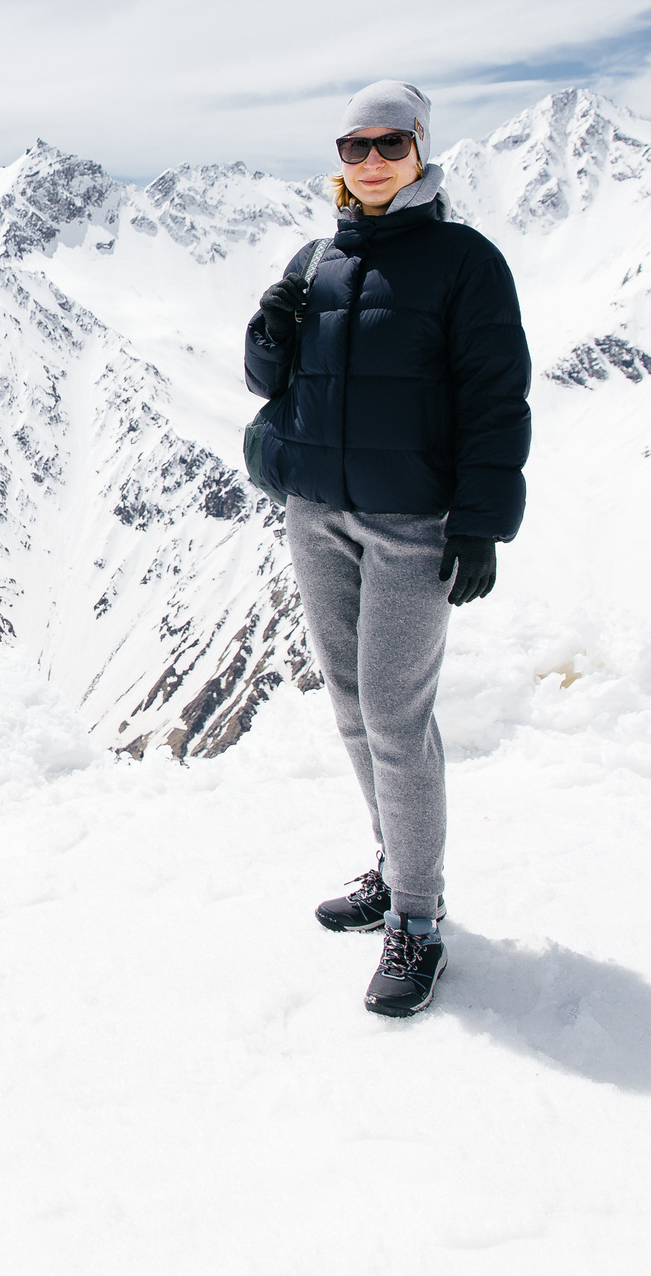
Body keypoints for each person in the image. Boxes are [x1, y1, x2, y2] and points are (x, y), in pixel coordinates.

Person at [242, 81, 531, 1018]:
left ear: (420, 151)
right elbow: (269, 381)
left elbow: (496, 396)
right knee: (355, 708)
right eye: (355, 146)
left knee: (400, 722)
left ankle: (418, 918)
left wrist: (482, 520)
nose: (372, 161)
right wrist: (268, 328)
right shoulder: (316, 256)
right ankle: (393, 864)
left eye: (390, 144)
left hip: (413, 525)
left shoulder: (464, 263)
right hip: (315, 513)